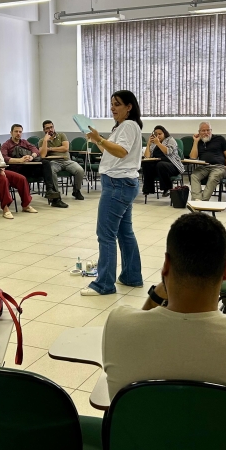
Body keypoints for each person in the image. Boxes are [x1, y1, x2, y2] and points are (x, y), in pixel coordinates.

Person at [103, 212, 226, 418]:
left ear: (166, 265)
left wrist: (155, 298)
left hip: (140, 440)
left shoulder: (118, 326)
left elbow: (141, 329)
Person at [81, 90, 143, 296]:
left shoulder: (128, 125)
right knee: (125, 233)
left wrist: (99, 139)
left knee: (106, 234)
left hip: (117, 184)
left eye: (117, 104)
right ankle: (131, 276)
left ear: (129, 107)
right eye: (111, 104)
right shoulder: (124, 126)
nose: (112, 108)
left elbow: (121, 152)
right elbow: (111, 152)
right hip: (123, 183)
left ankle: (104, 284)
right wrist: (97, 140)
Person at [1, 124, 68, 209]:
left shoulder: (24, 142)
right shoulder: (6, 145)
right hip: (16, 170)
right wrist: (19, 160)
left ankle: (50, 191)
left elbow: (35, 150)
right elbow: (4, 158)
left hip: (28, 167)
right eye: (16, 131)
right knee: (47, 170)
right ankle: (53, 197)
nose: (18, 133)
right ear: (11, 133)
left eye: (20, 132)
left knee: (46, 164)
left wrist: (31, 156)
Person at [39, 120, 85, 201]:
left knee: (80, 170)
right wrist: (45, 141)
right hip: (53, 162)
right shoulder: (42, 141)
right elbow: (42, 155)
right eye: (47, 128)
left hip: (67, 160)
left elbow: (65, 148)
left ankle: (76, 191)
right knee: (50, 171)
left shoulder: (61, 135)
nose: (50, 129)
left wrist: (50, 149)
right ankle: (56, 194)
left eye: (51, 127)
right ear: (44, 130)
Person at [189, 122, 226, 201]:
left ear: (211, 131)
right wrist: (195, 141)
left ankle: (202, 202)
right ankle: (197, 199)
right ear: (199, 132)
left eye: (208, 130)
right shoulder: (198, 141)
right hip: (203, 167)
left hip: (219, 167)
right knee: (194, 176)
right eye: (203, 131)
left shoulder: (220, 139)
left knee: (213, 178)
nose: (206, 133)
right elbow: (193, 157)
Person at [142, 125, 184, 198]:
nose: (158, 136)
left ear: (164, 133)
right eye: (156, 134)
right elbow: (147, 156)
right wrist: (148, 144)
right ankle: (148, 189)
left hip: (172, 166)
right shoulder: (154, 143)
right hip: (158, 166)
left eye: (160, 134)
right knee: (146, 164)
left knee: (161, 165)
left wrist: (158, 143)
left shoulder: (170, 140)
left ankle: (166, 189)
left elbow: (168, 152)